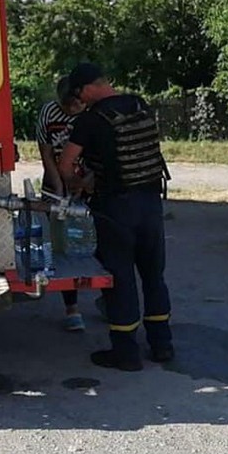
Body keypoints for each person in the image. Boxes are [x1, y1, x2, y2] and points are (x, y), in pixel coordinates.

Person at [58, 63, 172, 372]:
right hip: (150, 201)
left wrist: (78, 184)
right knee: (153, 275)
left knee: (119, 280)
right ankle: (162, 344)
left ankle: (126, 353)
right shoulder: (139, 104)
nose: (80, 100)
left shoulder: (90, 120)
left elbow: (66, 163)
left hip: (115, 209)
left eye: (79, 93)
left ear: (89, 88)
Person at [35, 77, 87, 331]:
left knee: (93, 239)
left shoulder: (91, 113)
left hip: (87, 181)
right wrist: (58, 186)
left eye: (76, 106)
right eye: (67, 108)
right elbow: (45, 151)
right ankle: (72, 308)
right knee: (63, 244)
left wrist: (84, 183)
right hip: (55, 181)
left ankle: (109, 299)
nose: (72, 111)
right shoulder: (48, 112)